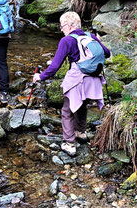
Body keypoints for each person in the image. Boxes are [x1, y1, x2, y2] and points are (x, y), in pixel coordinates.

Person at [33, 11, 110, 156]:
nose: (61, 30)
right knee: (82, 105)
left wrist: (40, 77)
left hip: (77, 80)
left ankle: (69, 143)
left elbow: (55, 66)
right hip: (93, 80)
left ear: (68, 26)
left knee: (66, 111)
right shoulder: (90, 36)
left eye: (62, 27)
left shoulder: (67, 40)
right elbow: (107, 53)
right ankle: (81, 133)